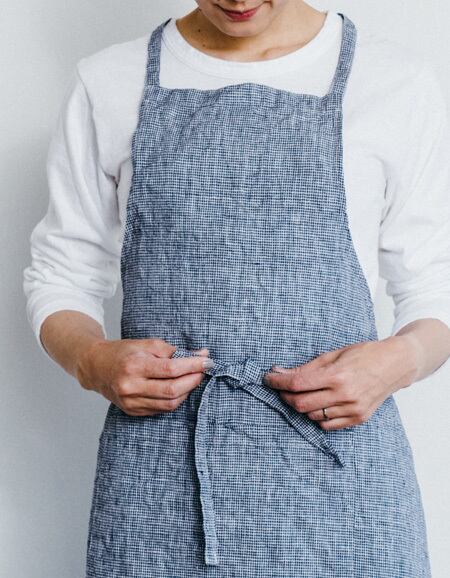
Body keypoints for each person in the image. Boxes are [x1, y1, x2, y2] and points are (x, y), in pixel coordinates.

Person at [23, 1, 450, 576]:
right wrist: (91, 360)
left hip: (343, 484)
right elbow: (61, 274)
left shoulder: (395, 81)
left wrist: (398, 362)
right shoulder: (107, 83)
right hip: (160, 484)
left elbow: (435, 283)